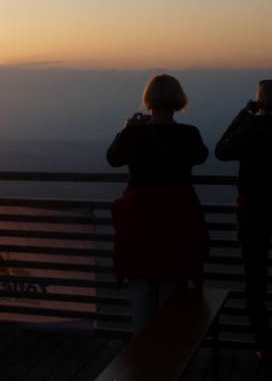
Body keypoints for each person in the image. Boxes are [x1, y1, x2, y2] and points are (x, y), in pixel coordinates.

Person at [107, 74, 209, 332]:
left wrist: (127, 128)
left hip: (139, 218)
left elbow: (113, 158)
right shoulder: (190, 134)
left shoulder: (135, 134)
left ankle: (142, 362)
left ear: (149, 100)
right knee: (172, 289)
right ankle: (170, 357)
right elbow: (202, 156)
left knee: (141, 291)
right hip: (176, 218)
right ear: (178, 100)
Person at [215, 79, 272, 357]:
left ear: (259, 102)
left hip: (253, 212)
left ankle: (263, 345)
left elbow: (221, 150)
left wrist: (242, 115)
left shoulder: (250, 130)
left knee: (255, 279)